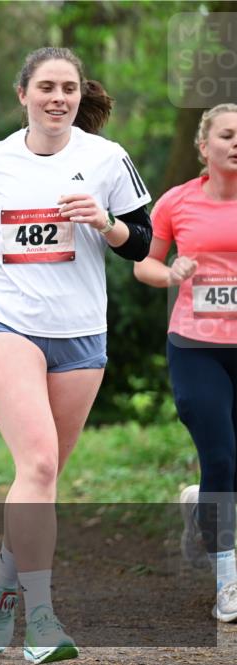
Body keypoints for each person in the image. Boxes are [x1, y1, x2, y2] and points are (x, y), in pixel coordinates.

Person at [0, 47, 152, 663]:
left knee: (43, 477)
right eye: (46, 87)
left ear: (77, 95)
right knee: (38, 465)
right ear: (24, 95)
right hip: (7, 320)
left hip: (81, 332)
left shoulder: (106, 158)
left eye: (67, 87)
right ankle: (40, 618)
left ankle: (1, 577)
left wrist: (107, 224)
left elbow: (141, 241)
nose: (58, 97)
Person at [133, 103, 237, 622]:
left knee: (230, 465)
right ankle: (228, 579)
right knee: (221, 457)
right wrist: (172, 271)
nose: (236, 143)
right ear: (205, 147)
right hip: (196, 345)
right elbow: (144, 265)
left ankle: (202, 503)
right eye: (227, 134)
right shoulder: (177, 202)